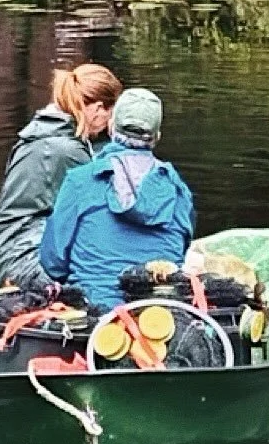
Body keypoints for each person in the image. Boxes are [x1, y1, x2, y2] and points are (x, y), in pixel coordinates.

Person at [39, 88, 195, 308]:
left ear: (111, 127)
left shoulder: (80, 181)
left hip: (92, 315)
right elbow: (179, 252)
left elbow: (52, 263)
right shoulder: (179, 191)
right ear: (157, 137)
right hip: (161, 317)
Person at [0, 64, 122, 288]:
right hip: (20, 257)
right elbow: (100, 214)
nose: (109, 123)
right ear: (97, 109)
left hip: (5, 248)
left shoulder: (41, 134)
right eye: (111, 114)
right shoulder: (67, 151)